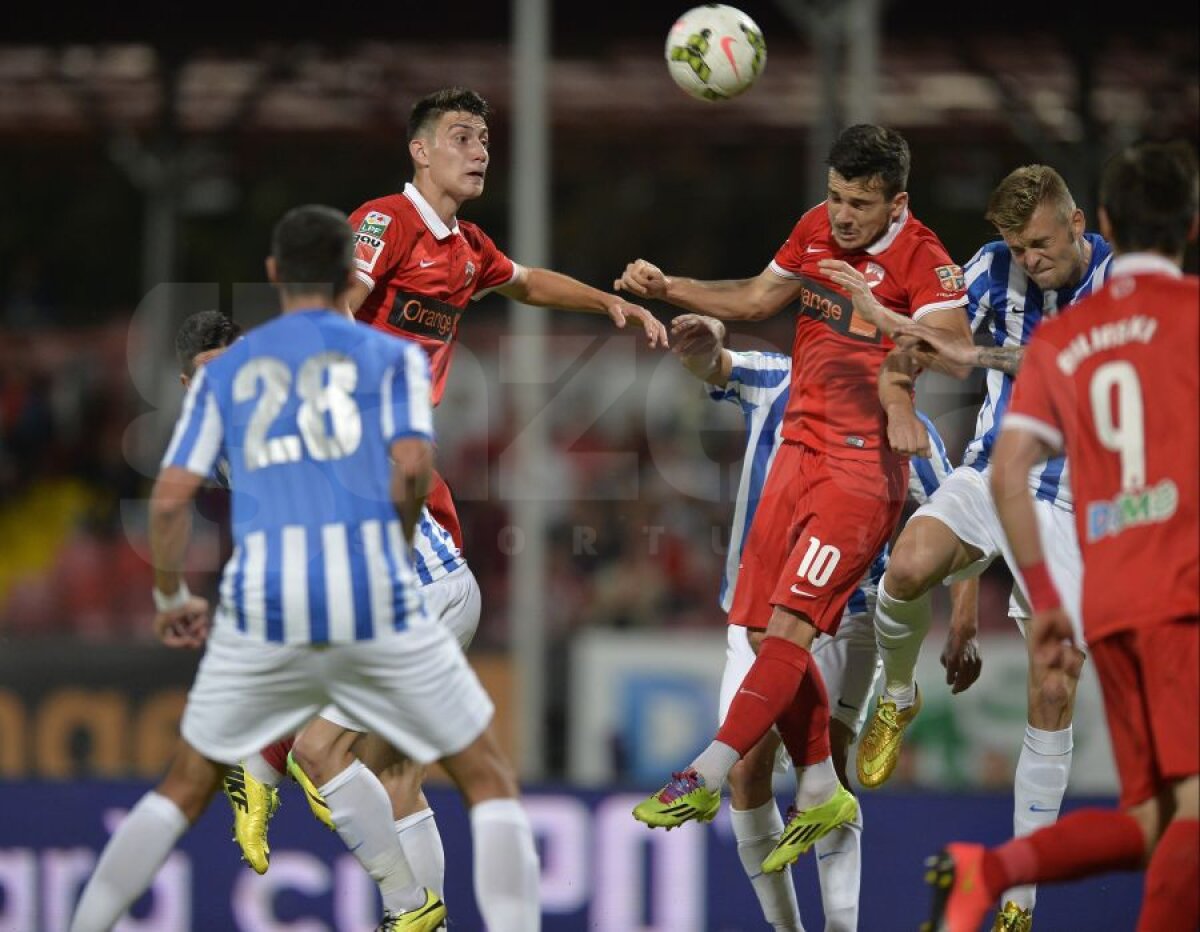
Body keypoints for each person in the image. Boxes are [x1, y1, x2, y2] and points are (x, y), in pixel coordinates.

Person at [224, 84, 669, 886]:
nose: (480, 150)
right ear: (419, 151)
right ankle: (290, 757)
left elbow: (526, 281)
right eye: (462, 136)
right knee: (448, 603)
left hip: (409, 471)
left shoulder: (465, 248)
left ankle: (391, 884)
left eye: (486, 140)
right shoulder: (384, 221)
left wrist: (605, 299)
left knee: (402, 755)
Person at [68, 205, 541, 932]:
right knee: (403, 774)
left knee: (302, 756)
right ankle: (421, 918)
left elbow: (169, 508)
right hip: (429, 584)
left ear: (271, 278)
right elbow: (410, 467)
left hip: (407, 593)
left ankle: (402, 903)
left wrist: (170, 594)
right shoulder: (368, 358)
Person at [619, 123, 973, 873]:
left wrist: (880, 317)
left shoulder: (926, 261)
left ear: (897, 201)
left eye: (861, 204)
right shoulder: (815, 228)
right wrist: (670, 285)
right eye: (837, 197)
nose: (843, 216)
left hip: (859, 473)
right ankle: (819, 785)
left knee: (788, 629)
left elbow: (958, 347)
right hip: (795, 454)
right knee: (754, 634)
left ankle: (705, 774)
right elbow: (755, 297)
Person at [923, 140, 1199, 932]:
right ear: (1192, 224)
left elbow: (1007, 469)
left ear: (1104, 221)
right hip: (1181, 594)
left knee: (1155, 819)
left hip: (1108, 593)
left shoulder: (1067, 343)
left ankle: (997, 871)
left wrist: (1044, 596)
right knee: (1188, 821)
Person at [855, 164, 1113, 928]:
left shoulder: (1125, 285)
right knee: (905, 568)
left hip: (1078, 503)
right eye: (1015, 246)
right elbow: (915, 349)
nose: (1027, 261)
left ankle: (1020, 899)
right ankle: (897, 695)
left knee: (1054, 685)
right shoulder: (986, 272)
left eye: (1038, 244)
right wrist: (899, 394)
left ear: (1075, 225)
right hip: (990, 473)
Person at [673, 313, 977, 931]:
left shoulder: (904, 425)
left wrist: (964, 619)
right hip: (757, 615)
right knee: (746, 771)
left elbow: (958, 515)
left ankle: (841, 927)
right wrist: (700, 349)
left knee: (828, 771)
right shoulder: (774, 380)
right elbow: (716, 365)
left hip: (846, 615)